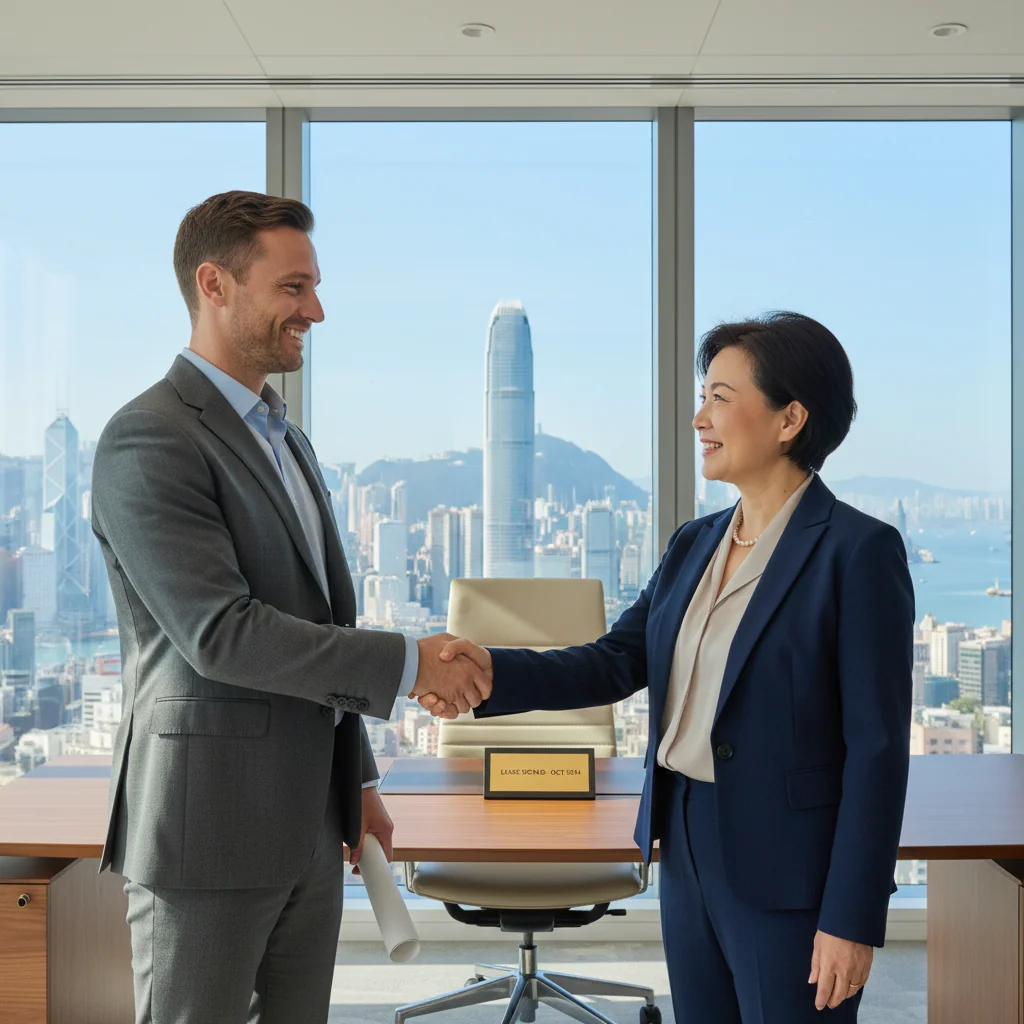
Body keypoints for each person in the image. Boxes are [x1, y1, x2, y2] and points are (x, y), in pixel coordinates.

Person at [420, 311, 914, 1023]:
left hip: (789, 865)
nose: (697, 418)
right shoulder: (696, 543)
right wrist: (492, 671)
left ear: (789, 419)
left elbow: (877, 749)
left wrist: (852, 918)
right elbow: (617, 660)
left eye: (719, 396)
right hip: (685, 837)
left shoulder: (856, 552)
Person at [90, 190, 487, 1024]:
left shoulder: (285, 437)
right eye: (294, 288)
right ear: (214, 284)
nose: (317, 309)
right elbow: (220, 633)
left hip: (309, 822)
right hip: (208, 833)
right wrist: (413, 664)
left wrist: (360, 782)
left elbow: (319, 623)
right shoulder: (150, 437)